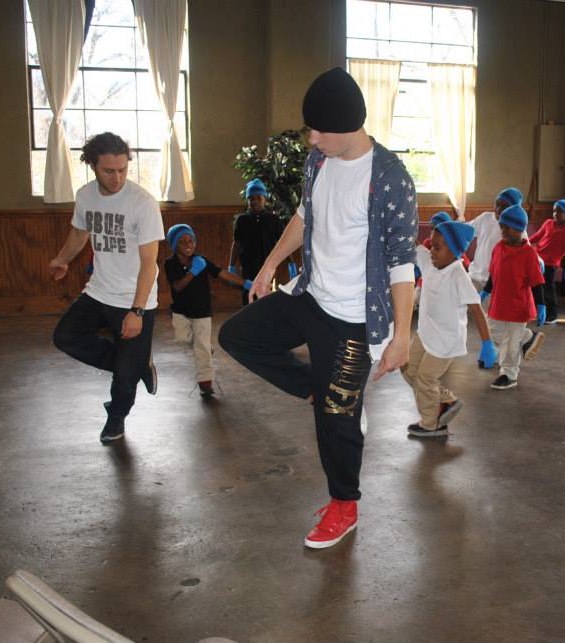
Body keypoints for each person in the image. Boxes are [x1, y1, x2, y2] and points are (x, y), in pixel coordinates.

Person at [218, 67, 418, 549]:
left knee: (337, 422)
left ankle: (344, 506)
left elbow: (401, 264)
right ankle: (318, 389)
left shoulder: (389, 179)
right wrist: (268, 266)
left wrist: (402, 336)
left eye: (319, 130)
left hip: (354, 319)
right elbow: (304, 215)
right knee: (237, 336)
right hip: (309, 296)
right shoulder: (319, 161)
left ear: (349, 125)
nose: (311, 139)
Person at [49, 132, 164, 444]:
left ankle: (116, 419)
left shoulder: (142, 203)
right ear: (93, 166)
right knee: (65, 337)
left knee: (123, 381)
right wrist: (62, 259)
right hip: (99, 292)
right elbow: (79, 233)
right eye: (109, 171)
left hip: (135, 298)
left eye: (123, 170)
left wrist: (137, 311)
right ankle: (135, 365)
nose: (117, 178)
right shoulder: (86, 195)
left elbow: (149, 263)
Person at [402, 220, 493, 437]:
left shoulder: (458, 276)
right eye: (432, 245)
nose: (431, 250)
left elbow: (476, 309)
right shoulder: (429, 261)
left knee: (425, 378)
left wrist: (487, 343)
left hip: (446, 340)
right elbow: (416, 245)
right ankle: (445, 399)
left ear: (454, 251)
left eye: (437, 247)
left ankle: (431, 424)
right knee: (407, 369)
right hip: (425, 334)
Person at [165, 222, 253, 398]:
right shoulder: (170, 263)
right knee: (184, 339)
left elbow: (222, 273)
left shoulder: (202, 260)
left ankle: (205, 382)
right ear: (174, 245)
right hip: (180, 311)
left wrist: (245, 283)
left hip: (202, 311)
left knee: (201, 348)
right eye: (182, 241)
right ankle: (204, 346)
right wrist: (193, 272)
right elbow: (178, 287)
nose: (188, 244)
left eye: (191, 240)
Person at [485, 204, 546, 390]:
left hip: (518, 307)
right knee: (494, 332)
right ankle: (528, 337)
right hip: (498, 304)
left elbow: (536, 282)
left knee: (511, 343)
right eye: (501, 226)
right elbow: (492, 274)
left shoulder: (529, 254)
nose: (502, 230)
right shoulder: (498, 248)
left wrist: (541, 304)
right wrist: (485, 291)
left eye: (507, 227)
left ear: (520, 229)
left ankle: (508, 374)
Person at [228, 178, 285, 306]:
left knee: (266, 299)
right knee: (248, 299)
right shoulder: (242, 220)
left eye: (258, 198)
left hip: (268, 267)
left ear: (265, 199)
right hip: (248, 268)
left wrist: (290, 263)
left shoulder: (273, 220)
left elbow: (282, 242)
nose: (255, 202)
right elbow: (236, 243)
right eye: (251, 199)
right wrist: (231, 265)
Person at [465, 187, 523, 299]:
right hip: (474, 277)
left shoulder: (516, 230)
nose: (498, 209)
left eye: (504, 207)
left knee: (488, 309)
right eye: (497, 205)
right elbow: (466, 229)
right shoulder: (485, 218)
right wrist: (449, 226)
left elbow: (526, 249)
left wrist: (538, 261)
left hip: (496, 283)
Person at [528, 198, 565, 324]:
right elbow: (538, 236)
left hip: (550, 265)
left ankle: (552, 314)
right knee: (534, 286)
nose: (555, 214)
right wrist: (526, 242)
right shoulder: (548, 223)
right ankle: (536, 310)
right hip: (538, 259)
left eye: (559, 211)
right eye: (554, 211)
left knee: (547, 289)